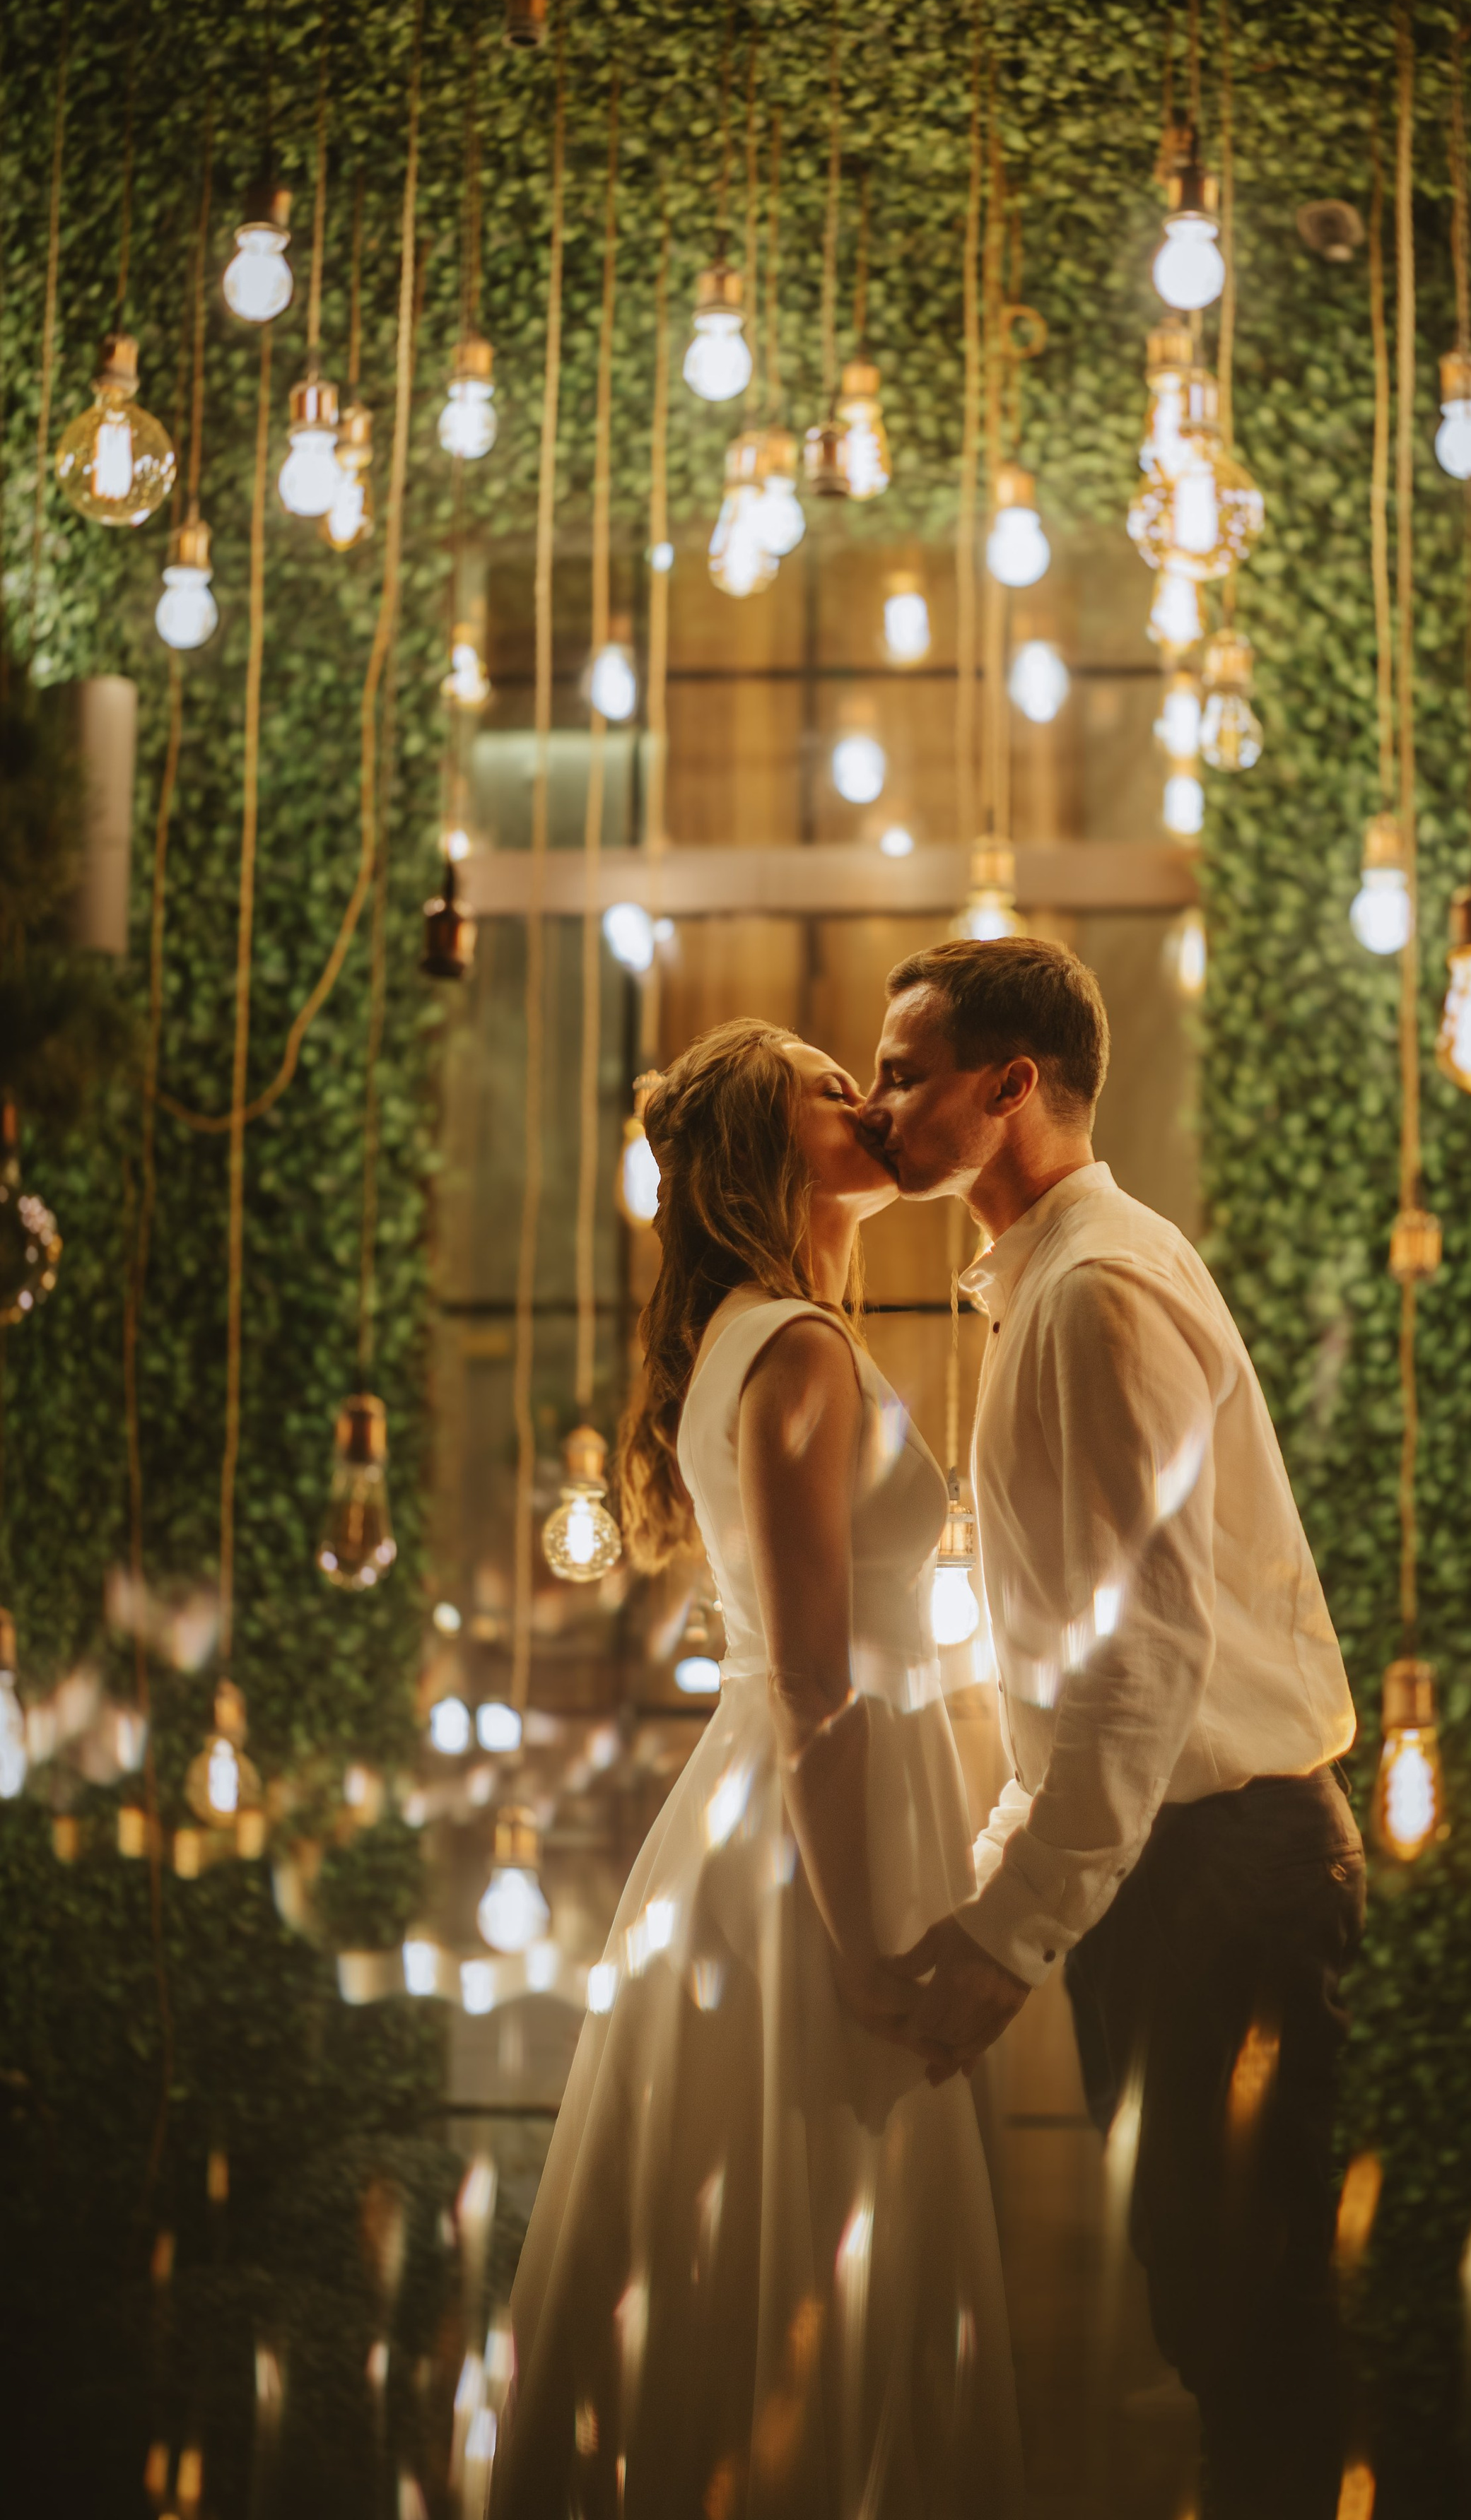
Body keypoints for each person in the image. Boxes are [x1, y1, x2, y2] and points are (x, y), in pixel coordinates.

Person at [860, 938, 1364, 2520]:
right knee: (1215, 2315)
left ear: (1009, 1089)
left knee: (1252, 2335)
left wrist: (1011, 1932)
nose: (879, 1105)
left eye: (902, 1073)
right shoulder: (1060, 1281)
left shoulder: (1092, 1292)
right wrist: (1006, 1873)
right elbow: (1077, 1670)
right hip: (1187, 1865)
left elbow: (1142, 1658)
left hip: (1228, 1868)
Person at [491, 1020, 1021, 2520]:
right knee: (815, 2222)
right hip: (809, 1845)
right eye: (827, 1088)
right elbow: (808, 1677)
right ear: (765, 1152)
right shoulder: (793, 1349)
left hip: (807, 1810)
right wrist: (861, 1953)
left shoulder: (769, 1332)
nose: (864, 1100)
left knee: (800, 2231)